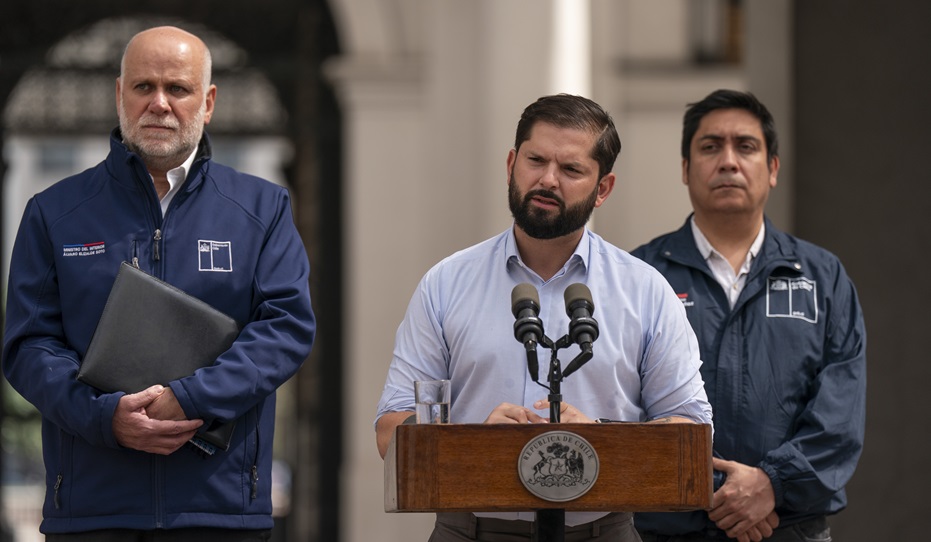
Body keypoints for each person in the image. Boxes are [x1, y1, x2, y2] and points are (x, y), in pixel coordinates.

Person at [2, 26, 316, 541]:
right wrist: (105, 417)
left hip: (220, 510)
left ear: (208, 101)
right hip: (92, 512)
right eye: (143, 87)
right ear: (118, 95)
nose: (160, 104)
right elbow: (29, 346)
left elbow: (286, 329)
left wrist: (189, 398)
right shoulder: (53, 213)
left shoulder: (263, 209)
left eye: (178, 88)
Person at [375, 94, 713, 542]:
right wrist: (473, 442)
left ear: (603, 188)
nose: (548, 180)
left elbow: (692, 434)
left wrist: (597, 438)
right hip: (471, 529)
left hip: (601, 530)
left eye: (571, 170)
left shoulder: (645, 291)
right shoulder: (447, 283)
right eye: (535, 160)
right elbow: (390, 430)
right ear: (512, 163)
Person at [632, 89, 867, 542]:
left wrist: (771, 486)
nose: (727, 161)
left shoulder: (822, 277)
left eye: (745, 146)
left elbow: (840, 418)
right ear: (685, 169)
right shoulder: (640, 277)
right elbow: (619, 411)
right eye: (709, 146)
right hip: (667, 532)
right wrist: (727, 494)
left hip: (789, 529)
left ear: (772, 168)